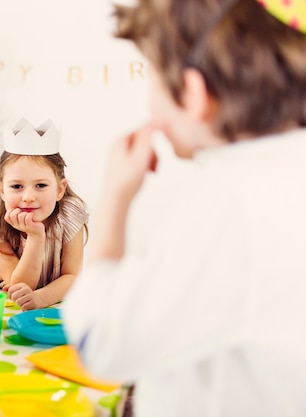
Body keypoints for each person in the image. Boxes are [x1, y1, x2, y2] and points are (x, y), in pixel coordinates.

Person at [62, 1, 306, 416]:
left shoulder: (234, 207)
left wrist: (116, 198)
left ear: (193, 95)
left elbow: (98, 340)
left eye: (151, 79)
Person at [0, 118, 89, 311]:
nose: (28, 197)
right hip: (5, 303)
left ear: (60, 189)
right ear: (2, 190)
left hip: (51, 301)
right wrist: (36, 237)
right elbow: (21, 286)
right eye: (17, 186)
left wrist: (41, 299)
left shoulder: (70, 215)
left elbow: (72, 276)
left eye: (41, 185)